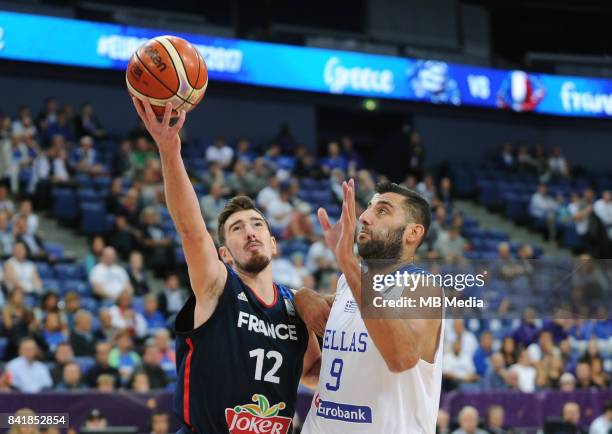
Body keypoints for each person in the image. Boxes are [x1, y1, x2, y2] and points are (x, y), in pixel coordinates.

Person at [131, 98, 321, 433]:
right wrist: (169, 150)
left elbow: (313, 372)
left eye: (257, 224)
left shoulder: (295, 308)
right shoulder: (218, 287)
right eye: (237, 228)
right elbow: (191, 230)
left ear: (274, 243)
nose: (250, 231)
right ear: (225, 255)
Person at [298, 181, 444, 433]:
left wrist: (348, 262)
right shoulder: (347, 284)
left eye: (382, 211)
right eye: (368, 208)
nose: (364, 218)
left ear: (413, 233)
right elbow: (313, 374)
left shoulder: (423, 288)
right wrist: (301, 298)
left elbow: (401, 358)